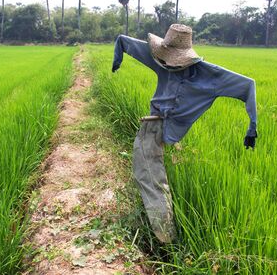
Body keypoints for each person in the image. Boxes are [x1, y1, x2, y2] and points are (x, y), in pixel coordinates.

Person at [111, 24, 258, 243]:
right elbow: (124, 41)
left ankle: (166, 237)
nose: (168, 63)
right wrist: (118, 59)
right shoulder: (159, 60)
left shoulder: (211, 75)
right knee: (154, 175)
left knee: (149, 177)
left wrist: (252, 127)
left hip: (154, 128)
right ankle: (158, 222)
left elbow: (247, 85)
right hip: (162, 127)